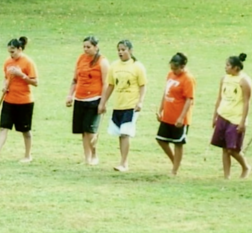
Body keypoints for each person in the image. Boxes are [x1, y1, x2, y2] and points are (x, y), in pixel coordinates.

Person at [0, 37, 38, 163]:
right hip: (9, 100)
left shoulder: (28, 62)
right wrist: (4, 86)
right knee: (3, 127)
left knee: (25, 130)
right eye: (9, 52)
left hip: (24, 101)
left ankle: (28, 155)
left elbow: (35, 82)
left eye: (13, 51)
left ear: (20, 49)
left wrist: (21, 75)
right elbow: (6, 77)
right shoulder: (8, 62)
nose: (11, 54)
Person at [98, 40, 146, 173]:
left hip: (131, 105)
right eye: (119, 49)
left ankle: (124, 163)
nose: (120, 52)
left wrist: (140, 101)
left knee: (125, 133)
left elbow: (142, 85)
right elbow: (111, 85)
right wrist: (103, 102)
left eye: (123, 49)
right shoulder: (114, 66)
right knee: (120, 134)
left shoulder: (137, 67)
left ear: (130, 50)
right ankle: (122, 161)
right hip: (118, 105)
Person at [66, 37, 109, 166]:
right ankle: (87, 157)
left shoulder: (102, 62)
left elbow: (106, 83)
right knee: (83, 131)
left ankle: (94, 154)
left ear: (96, 47)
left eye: (88, 47)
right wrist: (70, 95)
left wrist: (103, 102)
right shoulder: (81, 59)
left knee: (91, 131)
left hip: (94, 99)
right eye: (84, 46)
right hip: (80, 98)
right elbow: (75, 79)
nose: (85, 49)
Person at [211, 53, 252, 179]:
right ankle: (226, 176)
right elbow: (219, 97)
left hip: (236, 118)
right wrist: (215, 116)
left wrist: (243, 121)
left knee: (232, 149)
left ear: (236, 68)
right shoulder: (224, 79)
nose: (226, 67)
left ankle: (245, 167)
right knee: (224, 148)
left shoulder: (244, 81)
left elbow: (246, 102)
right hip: (223, 115)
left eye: (228, 65)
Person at [156, 53, 196, 176]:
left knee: (178, 143)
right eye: (172, 68)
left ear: (182, 66)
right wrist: (160, 109)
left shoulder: (188, 79)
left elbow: (189, 99)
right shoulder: (170, 75)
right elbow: (166, 92)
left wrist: (181, 117)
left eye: (176, 68)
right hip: (168, 114)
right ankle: (175, 161)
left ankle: (175, 169)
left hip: (179, 116)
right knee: (161, 139)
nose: (173, 71)